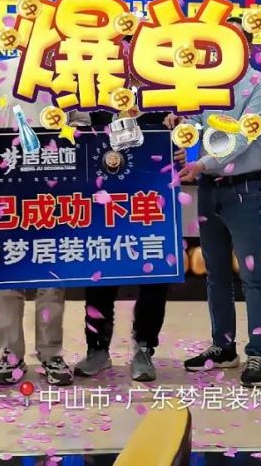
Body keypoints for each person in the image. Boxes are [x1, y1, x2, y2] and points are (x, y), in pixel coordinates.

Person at [165, 27, 261, 388]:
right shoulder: (207, 85)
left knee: (252, 275)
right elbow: (198, 127)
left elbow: (241, 136)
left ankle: (258, 352)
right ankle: (224, 346)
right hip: (209, 189)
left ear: (247, 48)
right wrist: (180, 126)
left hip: (244, 189)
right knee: (215, 274)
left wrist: (202, 163)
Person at [0, 56, 90, 387]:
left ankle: (51, 354)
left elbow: (82, 122)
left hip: (53, 186)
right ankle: (10, 354)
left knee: (52, 275)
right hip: (6, 184)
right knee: (8, 274)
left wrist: (64, 131)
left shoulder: (66, 72)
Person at [75, 104, 170, 382]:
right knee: (100, 272)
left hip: (151, 194)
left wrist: (177, 144)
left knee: (154, 276)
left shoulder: (162, 91)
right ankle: (97, 349)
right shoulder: (94, 91)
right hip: (103, 195)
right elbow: (79, 132)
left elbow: (182, 129)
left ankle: (145, 347)